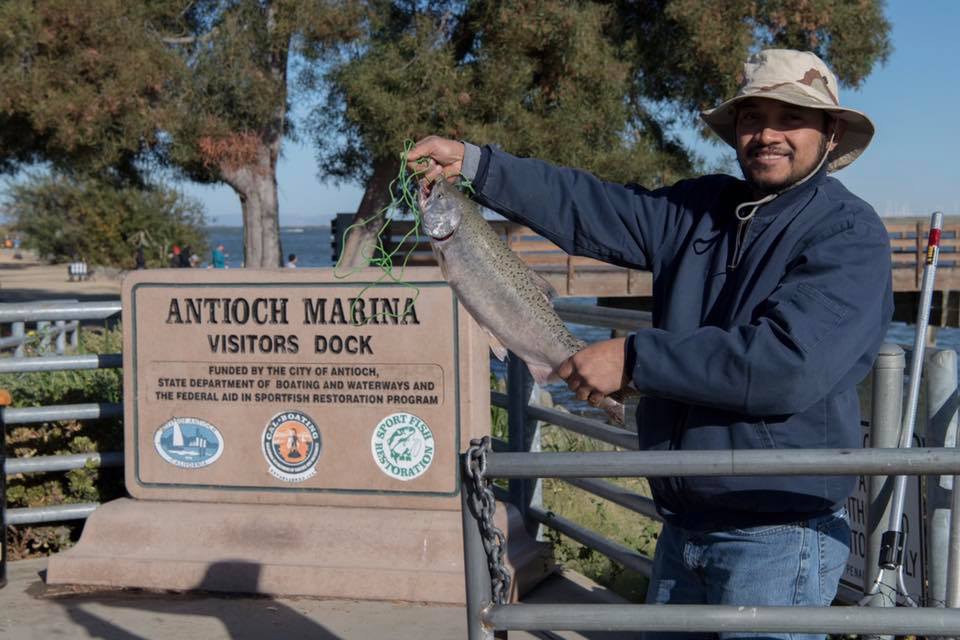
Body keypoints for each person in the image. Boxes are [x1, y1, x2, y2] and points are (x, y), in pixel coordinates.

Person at [408, 49, 893, 639]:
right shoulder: (699, 209)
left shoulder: (848, 233)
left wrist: (635, 359)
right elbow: (592, 206)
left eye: (790, 117)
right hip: (681, 525)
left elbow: (786, 365)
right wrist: (480, 167)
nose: (766, 134)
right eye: (750, 117)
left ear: (831, 131)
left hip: (780, 535)